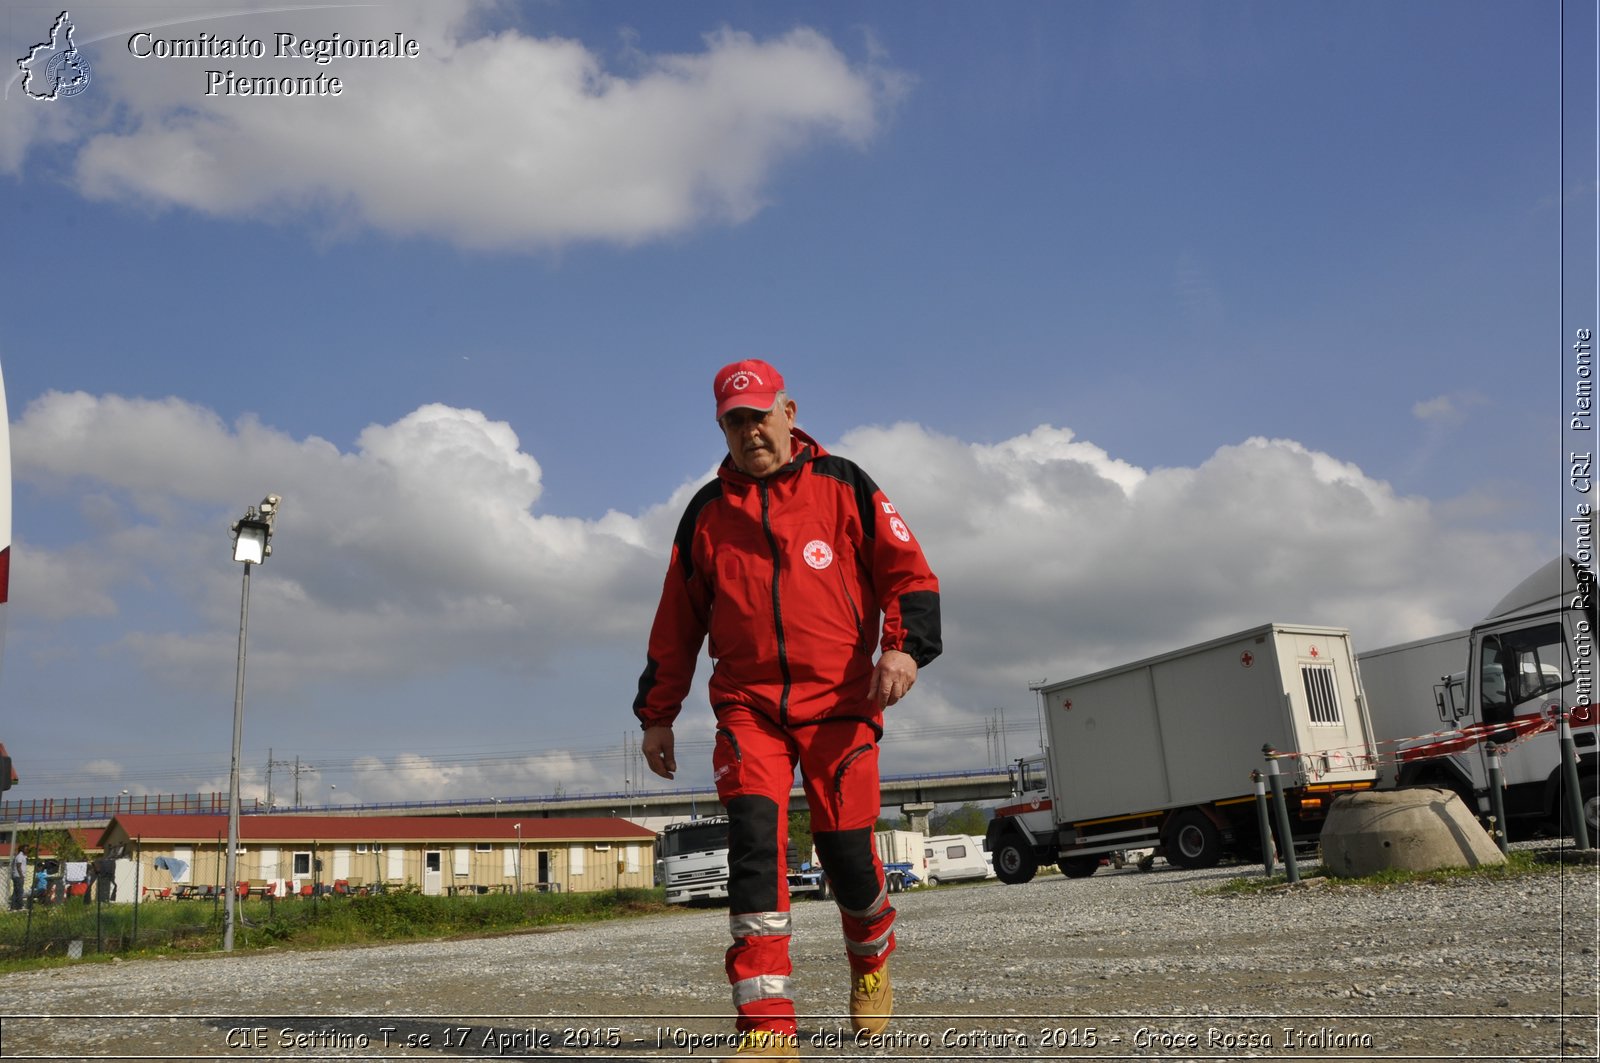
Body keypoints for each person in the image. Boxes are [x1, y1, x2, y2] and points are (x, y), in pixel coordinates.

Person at [634, 359, 942, 1060]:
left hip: (840, 701)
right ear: (722, 427)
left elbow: (910, 572)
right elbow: (676, 621)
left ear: (789, 412)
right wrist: (658, 712)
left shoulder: (845, 485)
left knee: (848, 856)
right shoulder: (706, 513)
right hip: (750, 710)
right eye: (734, 421)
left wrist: (904, 648)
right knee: (752, 847)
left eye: (759, 416)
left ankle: (870, 959)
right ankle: (768, 1025)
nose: (750, 432)